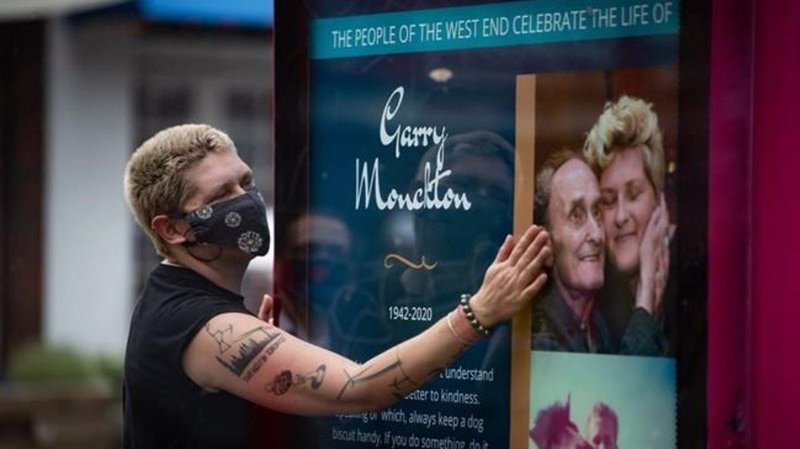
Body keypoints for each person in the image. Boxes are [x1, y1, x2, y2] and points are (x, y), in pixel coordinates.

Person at [122, 124, 551, 448]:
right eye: (221, 195)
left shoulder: (181, 300)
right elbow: (361, 389)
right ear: (173, 229)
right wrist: (480, 312)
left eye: (246, 182)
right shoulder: (206, 328)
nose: (246, 199)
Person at [530, 150, 663, 355]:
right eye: (576, 215)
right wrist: (646, 299)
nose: (597, 234)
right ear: (547, 243)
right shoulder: (539, 336)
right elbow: (628, 378)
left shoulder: (604, 322)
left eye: (597, 212)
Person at [583, 95, 673, 355]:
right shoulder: (593, 306)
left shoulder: (697, 289)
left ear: (659, 199)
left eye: (634, 195)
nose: (621, 216)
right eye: (608, 201)